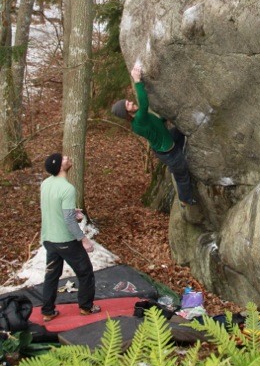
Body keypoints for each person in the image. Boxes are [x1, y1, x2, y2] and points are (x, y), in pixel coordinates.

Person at [112, 63, 201, 219]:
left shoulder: (139, 119)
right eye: (128, 104)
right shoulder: (139, 120)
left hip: (164, 143)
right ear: (127, 113)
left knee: (180, 132)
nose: (131, 102)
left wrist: (163, 119)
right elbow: (144, 103)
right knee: (182, 175)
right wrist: (137, 80)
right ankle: (185, 199)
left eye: (128, 101)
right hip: (169, 152)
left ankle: (177, 164)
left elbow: (155, 125)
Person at [40, 153, 101, 321]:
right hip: (65, 241)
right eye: (64, 158)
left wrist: (72, 212)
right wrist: (84, 240)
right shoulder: (68, 189)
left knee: (51, 276)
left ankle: (47, 312)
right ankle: (86, 307)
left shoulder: (45, 184)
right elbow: (68, 220)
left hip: (48, 239)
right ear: (60, 167)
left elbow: (52, 207)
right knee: (85, 272)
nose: (67, 158)